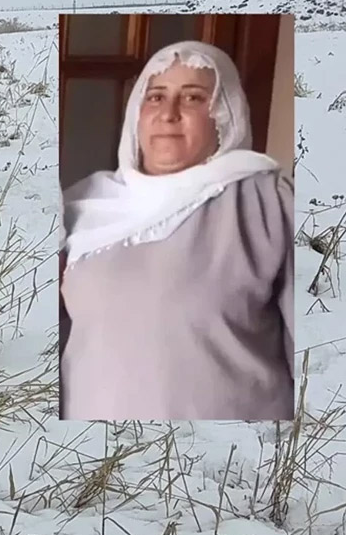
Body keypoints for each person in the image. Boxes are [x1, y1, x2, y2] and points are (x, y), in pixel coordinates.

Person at [60, 41, 294, 421]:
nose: (168, 114)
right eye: (155, 97)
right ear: (136, 112)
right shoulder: (83, 206)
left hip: (232, 460)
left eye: (193, 98)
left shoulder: (269, 201)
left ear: (225, 115)